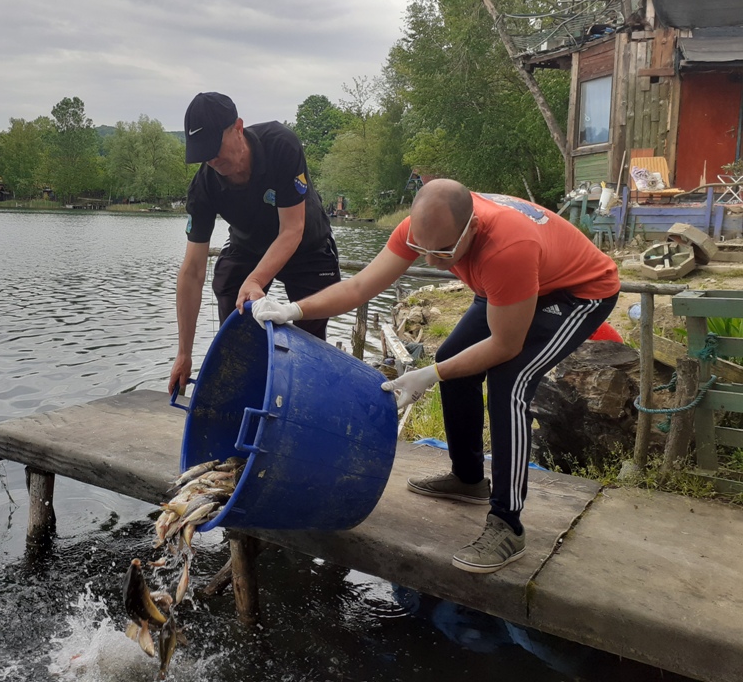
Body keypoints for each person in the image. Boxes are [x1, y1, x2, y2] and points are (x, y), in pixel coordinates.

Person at [252, 179, 620, 574]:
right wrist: (292, 310)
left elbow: (505, 346)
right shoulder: (424, 230)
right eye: (421, 249)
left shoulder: (507, 248)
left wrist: (430, 374)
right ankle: (468, 479)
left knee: (509, 381)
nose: (431, 262)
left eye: (443, 252)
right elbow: (359, 287)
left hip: (576, 293)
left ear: (473, 230)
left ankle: (508, 524)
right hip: (512, 280)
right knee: (453, 357)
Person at [167, 92, 340, 396]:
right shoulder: (204, 186)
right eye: (203, 153)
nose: (212, 159)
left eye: (215, 147)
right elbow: (193, 270)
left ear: (237, 127)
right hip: (248, 246)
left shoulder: (281, 145)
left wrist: (257, 279)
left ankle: (307, 397)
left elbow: (292, 230)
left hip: (307, 245)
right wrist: (184, 353)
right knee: (234, 311)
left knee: (310, 333)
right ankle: (242, 395)